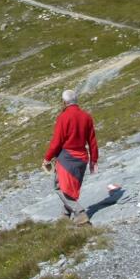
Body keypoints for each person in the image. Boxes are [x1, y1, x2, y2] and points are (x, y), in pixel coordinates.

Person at [43, 89, 99, 225]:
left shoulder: (63, 117)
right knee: (72, 188)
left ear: (64, 102)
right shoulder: (86, 117)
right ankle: (65, 215)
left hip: (67, 158)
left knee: (60, 187)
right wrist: (94, 160)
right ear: (76, 100)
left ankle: (80, 214)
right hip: (82, 158)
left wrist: (47, 158)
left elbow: (57, 141)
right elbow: (92, 141)